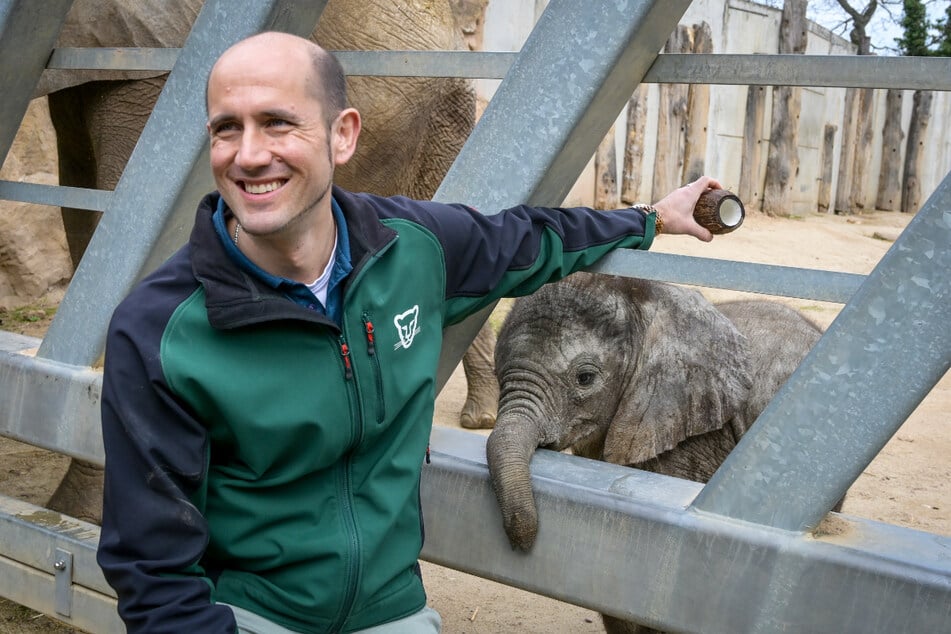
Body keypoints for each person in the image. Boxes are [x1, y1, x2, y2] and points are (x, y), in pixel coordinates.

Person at [96, 31, 721, 634]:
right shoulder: (161, 331)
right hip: (253, 617)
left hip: (392, 610)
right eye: (226, 128)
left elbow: (530, 237)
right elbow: (153, 571)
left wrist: (647, 220)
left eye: (277, 122)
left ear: (343, 136)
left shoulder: (411, 248)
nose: (249, 154)